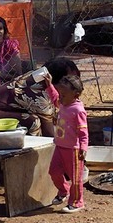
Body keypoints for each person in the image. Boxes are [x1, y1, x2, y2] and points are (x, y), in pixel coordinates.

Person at [46, 57, 89, 213]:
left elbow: (83, 132)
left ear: (75, 94)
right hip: (60, 145)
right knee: (54, 171)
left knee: (76, 178)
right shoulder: (64, 103)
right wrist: (48, 84)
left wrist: (84, 147)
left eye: (64, 94)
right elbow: (54, 98)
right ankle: (63, 191)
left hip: (73, 149)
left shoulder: (78, 110)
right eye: (61, 93)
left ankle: (77, 202)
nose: (60, 97)